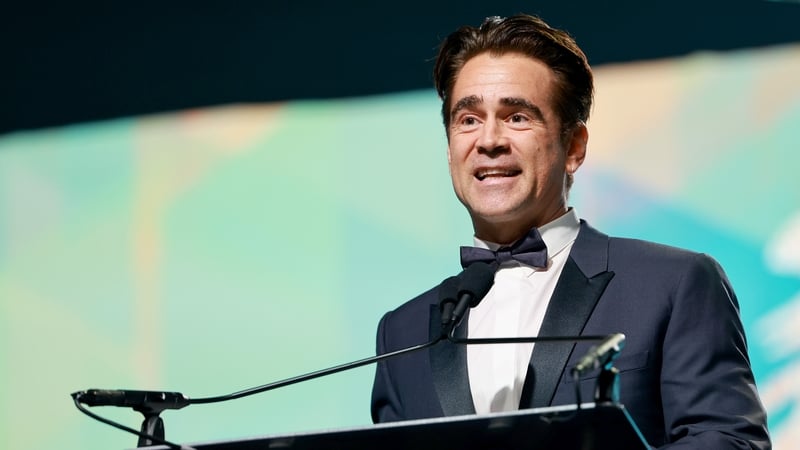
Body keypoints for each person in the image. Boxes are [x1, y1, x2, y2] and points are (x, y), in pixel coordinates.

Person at [370, 14, 770, 449]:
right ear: (450, 149)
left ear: (574, 147)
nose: (489, 140)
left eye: (517, 117)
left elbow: (730, 442)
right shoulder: (402, 334)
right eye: (468, 119)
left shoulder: (674, 283)